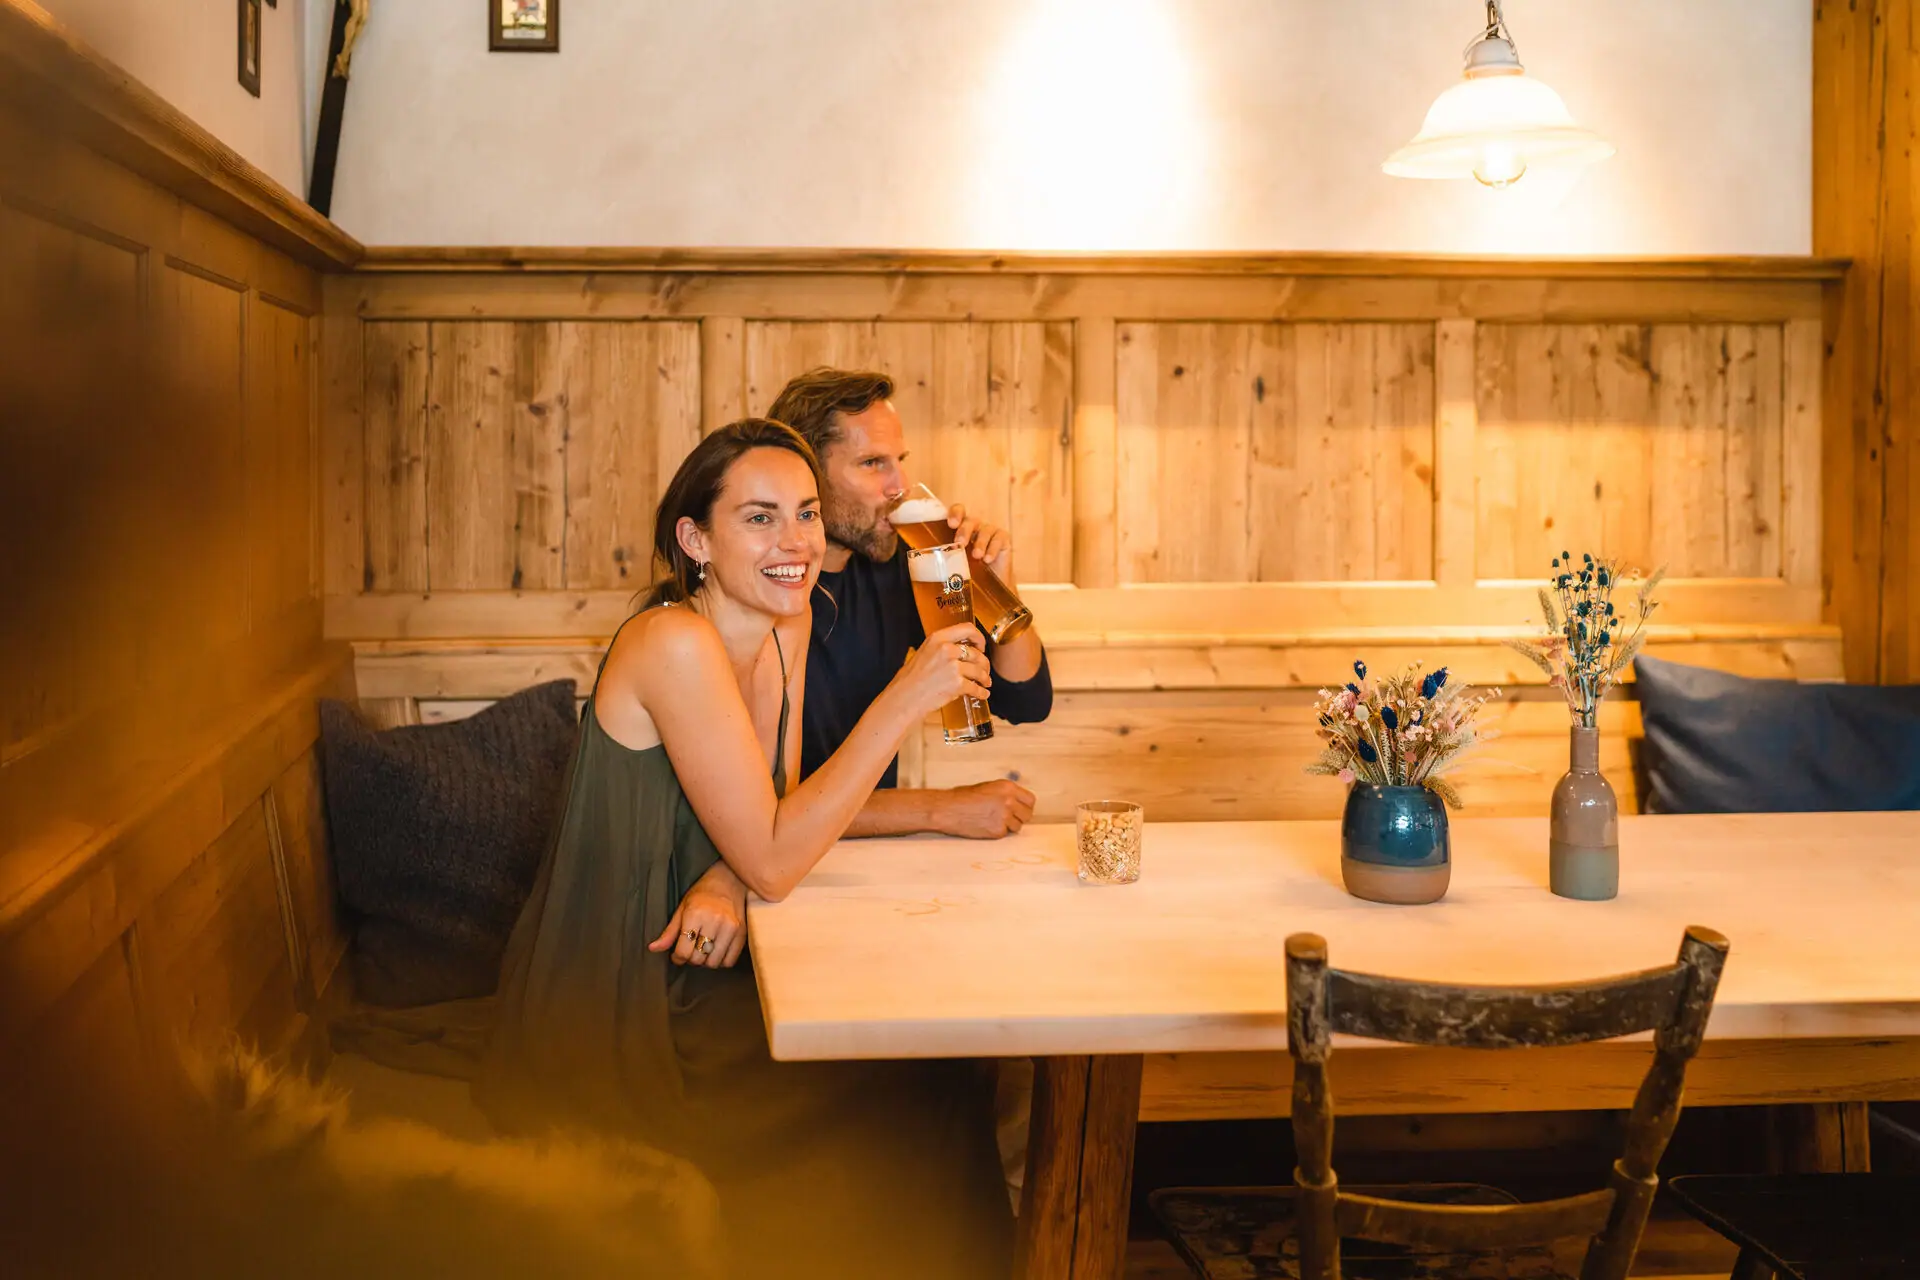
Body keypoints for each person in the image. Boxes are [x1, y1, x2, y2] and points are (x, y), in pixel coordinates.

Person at [476, 419, 1013, 1279]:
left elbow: (773, 817)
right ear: (696, 540)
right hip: (627, 997)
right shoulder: (672, 643)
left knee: (942, 1061)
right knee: (926, 1086)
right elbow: (777, 858)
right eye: (758, 519)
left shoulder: (783, 621)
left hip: (710, 963)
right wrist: (904, 700)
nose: (793, 541)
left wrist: (726, 877)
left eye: (803, 514)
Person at [767, 367, 1054, 840]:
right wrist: (936, 810)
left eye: (899, 460)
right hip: (768, 867)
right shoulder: (762, 589)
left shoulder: (902, 566)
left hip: (871, 871)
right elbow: (763, 813)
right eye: (872, 463)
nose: (898, 485)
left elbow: (1025, 699)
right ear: (805, 472)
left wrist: (998, 583)